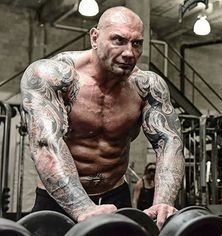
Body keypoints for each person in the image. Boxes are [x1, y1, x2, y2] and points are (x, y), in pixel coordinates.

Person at [20, 6, 185, 229]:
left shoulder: (147, 86)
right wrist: (82, 208)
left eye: (137, 43)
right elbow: (45, 143)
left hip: (115, 197)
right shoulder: (52, 76)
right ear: (95, 37)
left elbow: (169, 142)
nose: (129, 53)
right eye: (119, 40)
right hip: (58, 200)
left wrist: (163, 202)